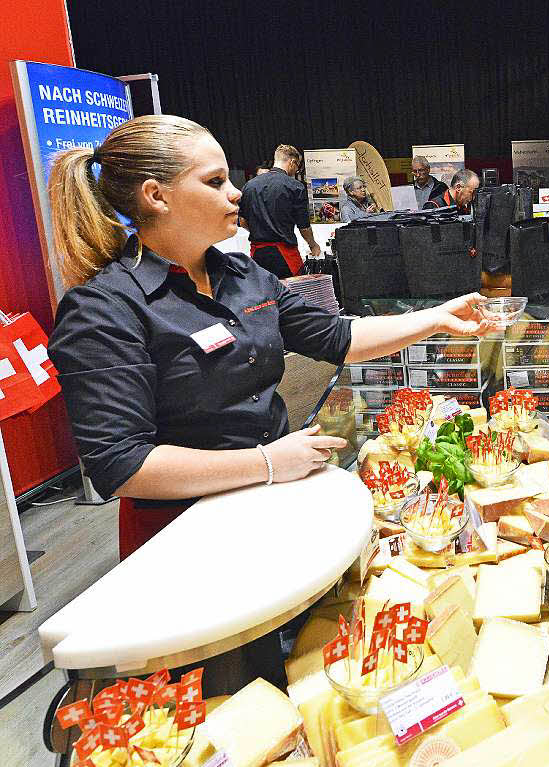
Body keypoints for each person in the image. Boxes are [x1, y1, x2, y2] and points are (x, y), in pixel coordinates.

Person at [46, 115, 496, 560]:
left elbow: (339, 335)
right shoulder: (103, 310)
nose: (236, 191)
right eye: (215, 180)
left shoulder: (243, 276)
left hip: (272, 505)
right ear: (156, 195)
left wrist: (435, 318)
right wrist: (266, 463)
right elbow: (120, 464)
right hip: (183, 541)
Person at [237, 144, 320, 278]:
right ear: (292, 162)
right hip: (284, 254)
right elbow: (303, 226)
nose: (296, 170)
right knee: (293, 294)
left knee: (266, 295)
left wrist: (260, 230)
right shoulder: (295, 186)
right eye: (297, 166)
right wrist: (313, 245)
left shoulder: (249, 186)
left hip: (257, 253)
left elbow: (242, 220)